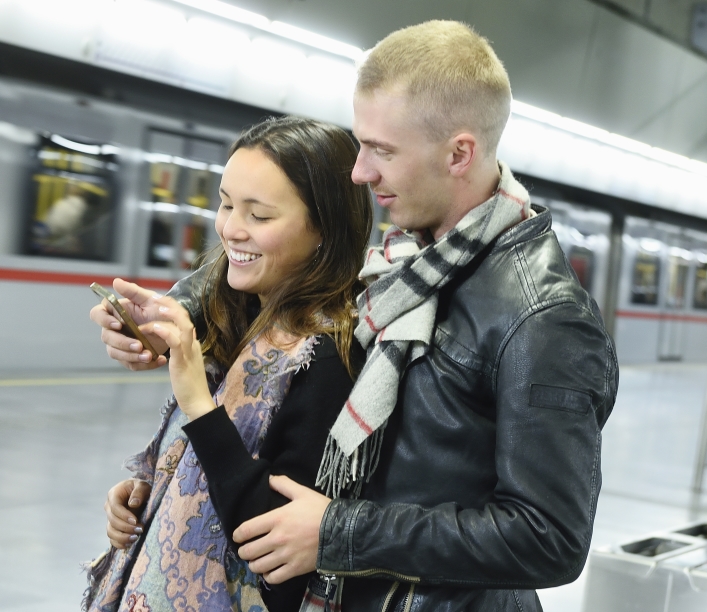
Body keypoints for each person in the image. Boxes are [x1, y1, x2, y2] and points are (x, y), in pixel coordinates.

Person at [93, 21, 619, 612]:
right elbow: (276, 276)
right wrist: (171, 317)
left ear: (459, 153)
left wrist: (339, 531)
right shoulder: (402, 263)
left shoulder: (543, 319)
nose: (360, 172)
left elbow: (549, 539)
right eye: (362, 144)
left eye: (382, 151)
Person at [84, 116, 372, 612]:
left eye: (260, 216)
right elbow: (209, 470)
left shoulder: (328, 357)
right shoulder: (240, 318)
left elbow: (273, 545)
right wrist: (150, 497)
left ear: (323, 228)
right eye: (225, 203)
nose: (232, 229)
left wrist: (198, 404)